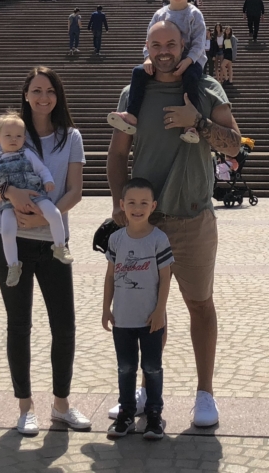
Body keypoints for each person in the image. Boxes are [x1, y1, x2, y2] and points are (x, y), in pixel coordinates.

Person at [106, 19, 242, 428]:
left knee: (200, 304)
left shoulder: (206, 90)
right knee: (147, 312)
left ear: (185, 45)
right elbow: (116, 156)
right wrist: (117, 203)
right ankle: (148, 390)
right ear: (146, 47)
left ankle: (205, 393)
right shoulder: (134, 93)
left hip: (194, 218)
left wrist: (196, 122)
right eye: (156, 43)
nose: (164, 50)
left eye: (171, 43)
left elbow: (235, 145)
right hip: (147, 225)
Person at [0, 66, 90, 436]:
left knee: (63, 325)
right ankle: (25, 407)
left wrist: (43, 212)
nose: (43, 97)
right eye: (36, 90)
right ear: (26, 94)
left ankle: (62, 405)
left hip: (52, 242)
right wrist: (11, 195)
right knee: (19, 325)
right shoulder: (8, 132)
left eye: (49, 91)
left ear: (58, 96)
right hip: (10, 244)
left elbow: (74, 191)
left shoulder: (70, 137)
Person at [106, 0, 207, 145]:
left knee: (191, 79)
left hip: (189, 61)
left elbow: (199, 43)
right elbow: (150, 40)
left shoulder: (194, 14)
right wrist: (147, 58)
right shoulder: (160, 14)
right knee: (138, 73)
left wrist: (188, 61)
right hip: (162, 60)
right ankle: (132, 115)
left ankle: (190, 124)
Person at [103, 177, 172, 441]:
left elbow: (166, 278)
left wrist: (160, 311)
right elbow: (110, 276)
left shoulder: (159, 239)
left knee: (152, 367)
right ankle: (126, 414)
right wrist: (105, 309)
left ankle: (154, 415)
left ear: (153, 206)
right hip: (123, 318)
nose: (137, 207)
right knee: (126, 368)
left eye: (144, 202)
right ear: (122, 205)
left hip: (150, 319)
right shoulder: (116, 239)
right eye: (131, 202)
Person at [0, 111, 75, 287]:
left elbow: (42, 169)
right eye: (8, 136)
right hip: (9, 204)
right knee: (7, 231)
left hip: (36, 194)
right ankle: (13, 264)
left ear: (24, 138)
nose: (13, 139)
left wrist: (48, 180)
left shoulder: (27, 154)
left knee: (54, 213)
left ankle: (59, 247)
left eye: (18, 136)